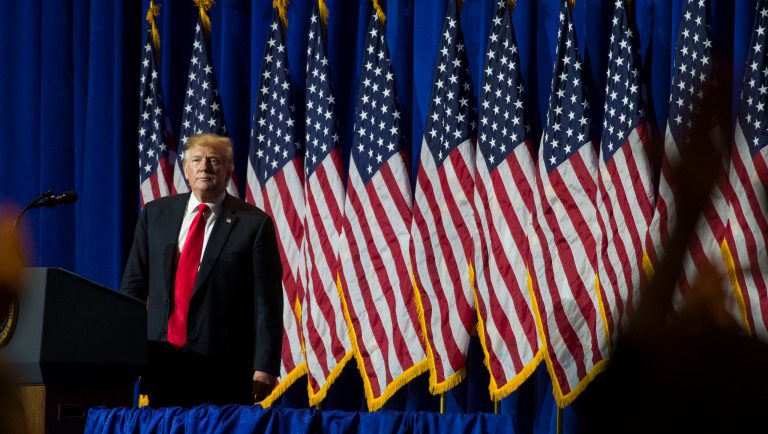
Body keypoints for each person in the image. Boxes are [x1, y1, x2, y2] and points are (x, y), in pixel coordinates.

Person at [120, 133, 283, 407]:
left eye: (214, 161)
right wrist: (126, 353)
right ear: (186, 169)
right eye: (196, 160)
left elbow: (266, 303)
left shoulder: (253, 224)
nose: (204, 167)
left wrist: (264, 366)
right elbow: (133, 290)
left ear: (229, 170)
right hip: (162, 365)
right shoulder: (155, 215)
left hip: (224, 369)